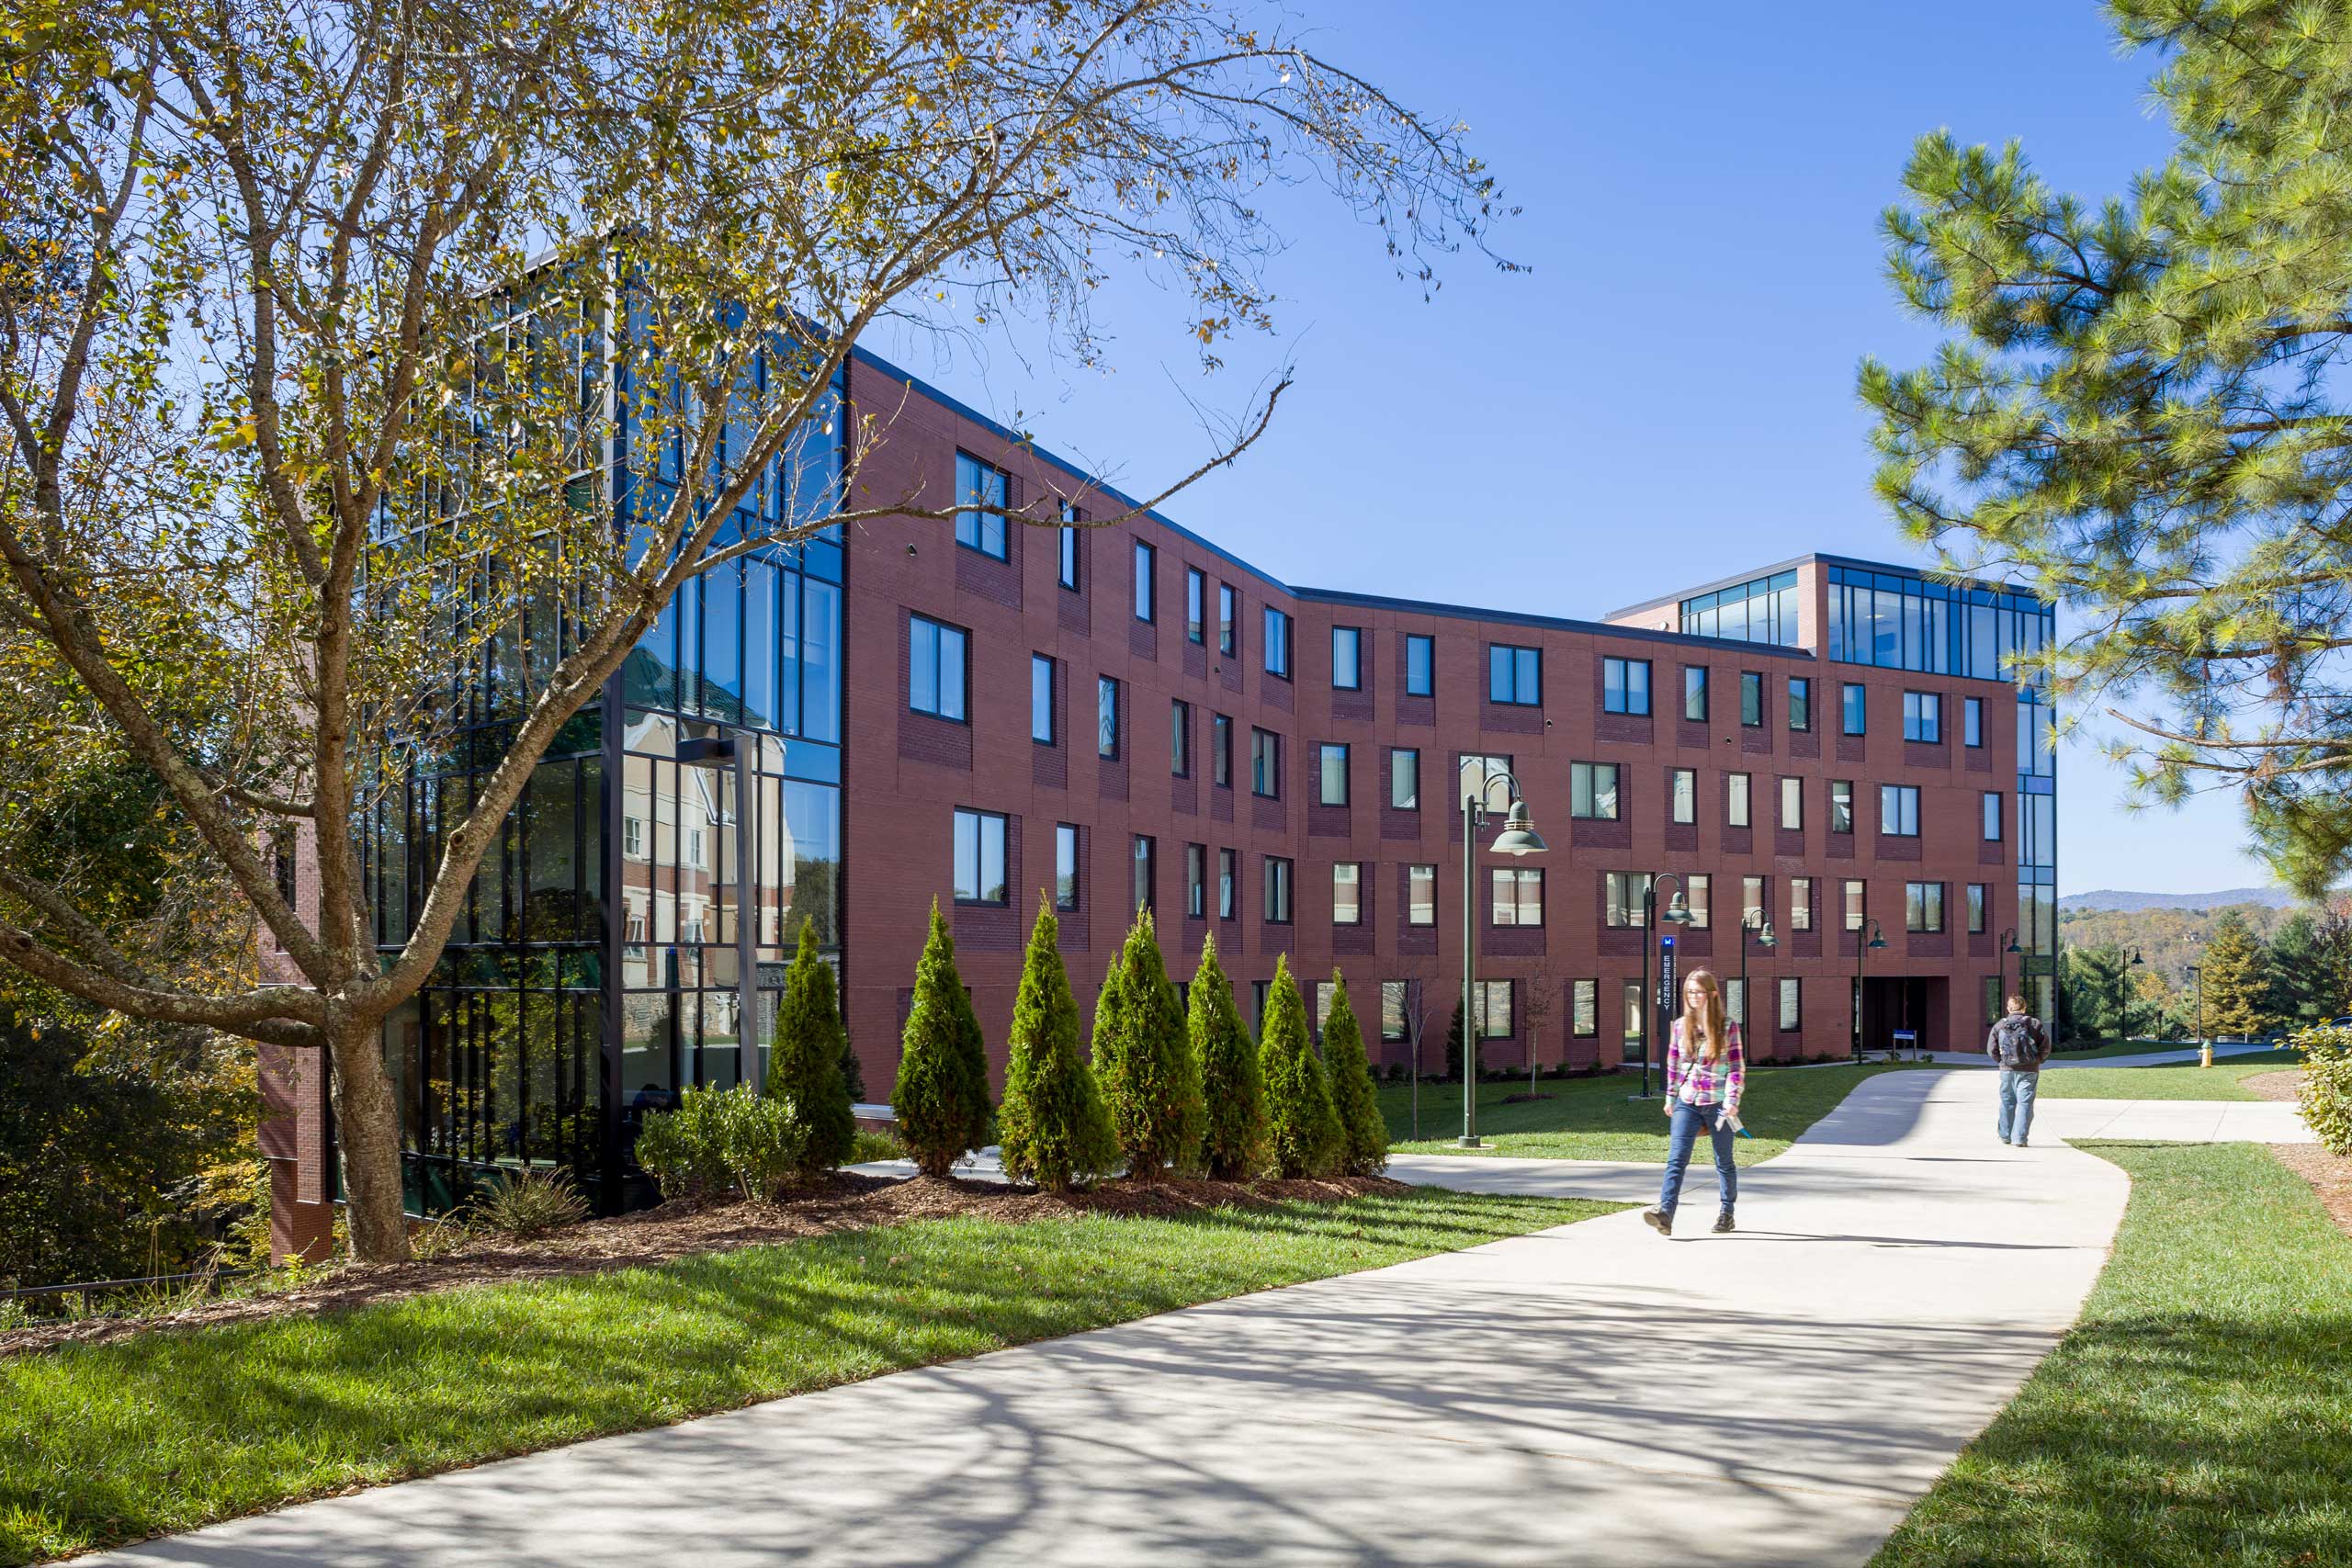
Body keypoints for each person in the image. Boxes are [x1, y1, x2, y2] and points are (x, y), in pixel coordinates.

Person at [1642, 967, 1745, 1237]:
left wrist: (1732, 1100)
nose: (1692, 996)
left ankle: (1727, 1213)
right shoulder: (1679, 1025)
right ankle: (1665, 1214)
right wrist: (1670, 1096)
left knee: (1724, 1161)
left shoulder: (1727, 1026)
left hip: (1718, 1103)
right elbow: (1673, 1063)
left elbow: (1735, 1067)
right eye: (1689, 992)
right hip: (1687, 1100)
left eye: (1698, 991)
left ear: (1711, 994)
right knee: (1676, 1159)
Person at [1986, 994, 2050, 1147]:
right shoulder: (2034, 1024)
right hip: (2029, 1069)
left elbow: (1991, 1049)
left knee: (2007, 1101)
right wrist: (2037, 1060)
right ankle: (2020, 1138)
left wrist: (2001, 1062)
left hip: (2007, 1069)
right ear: (2024, 1008)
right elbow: (2045, 1047)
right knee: (2025, 1103)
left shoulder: (2000, 1025)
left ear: (2008, 1009)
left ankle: (2005, 1135)